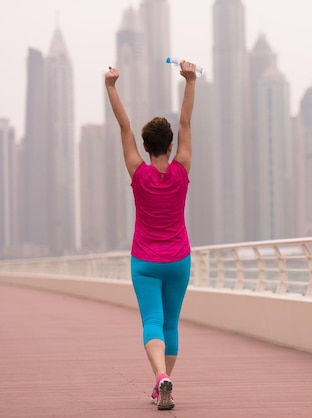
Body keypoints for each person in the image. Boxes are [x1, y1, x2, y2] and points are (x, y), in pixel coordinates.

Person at [104, 60, 197, 410]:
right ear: (171, 145)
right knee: (170, 323)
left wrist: (111, 86)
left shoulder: (138, 172)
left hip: (144, 261)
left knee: (152, 321)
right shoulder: (182, 168)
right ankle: (163, 387)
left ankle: (160, 378)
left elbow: (124, 125)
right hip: (178, 260)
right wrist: (190, 80)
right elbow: (186, 121)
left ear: (145, 147)